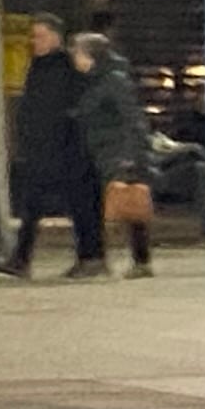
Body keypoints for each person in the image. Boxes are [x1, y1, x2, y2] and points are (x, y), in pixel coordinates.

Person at [0, 13, 100, 279]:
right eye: (33, 36)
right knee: (32, 207)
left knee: (80, 206)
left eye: (40, 36)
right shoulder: (37, 67)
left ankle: (90, 257)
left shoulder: (68, 67)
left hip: (67, 150)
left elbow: (80, 104)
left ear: (54, 37)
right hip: (40, 151)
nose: (34, 41)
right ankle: (20, 259)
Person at [75, 14, 159, 279]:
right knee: (121, 206)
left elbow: (131, 119)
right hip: (105, 152)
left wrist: (130, 156)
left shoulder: (113, 81)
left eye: (77, 52)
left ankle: (141, 260)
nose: (74, 58)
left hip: (120, 154)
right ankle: (128, 260)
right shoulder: (96, 81)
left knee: (130, 206)